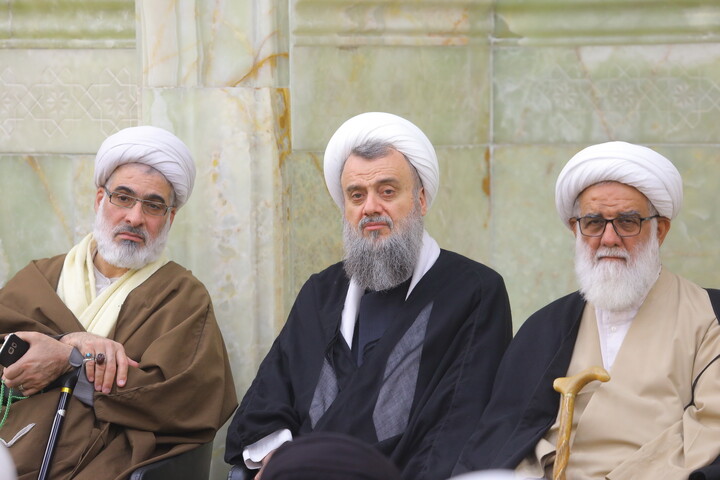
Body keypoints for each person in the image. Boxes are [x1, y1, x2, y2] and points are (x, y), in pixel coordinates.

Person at [225, 112, 512, 480]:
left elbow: (459, 423)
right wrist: (283, 457)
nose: (370, 207)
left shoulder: (474, 291)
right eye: (356, 195)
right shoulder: (321, 293)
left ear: (421, 199)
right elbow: (269, 397)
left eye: (387, 191)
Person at [454, 141, 720, 479]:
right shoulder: (544, 327)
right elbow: (504, 435)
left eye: (627, 222)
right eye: (593, 223)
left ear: (660, 230)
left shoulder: (709, 318)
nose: (609, 238)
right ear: (575, 229)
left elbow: (710, 428)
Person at [0, 126, 237, 479]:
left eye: (153, 205)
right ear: (100, 199)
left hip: (110, 459)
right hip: (15, 443)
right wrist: (72, 344)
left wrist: (70, 361)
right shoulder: (40, 277)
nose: (135, 217)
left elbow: (189, 398)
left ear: (169, 218)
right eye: (123, 198)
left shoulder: (183, 297)